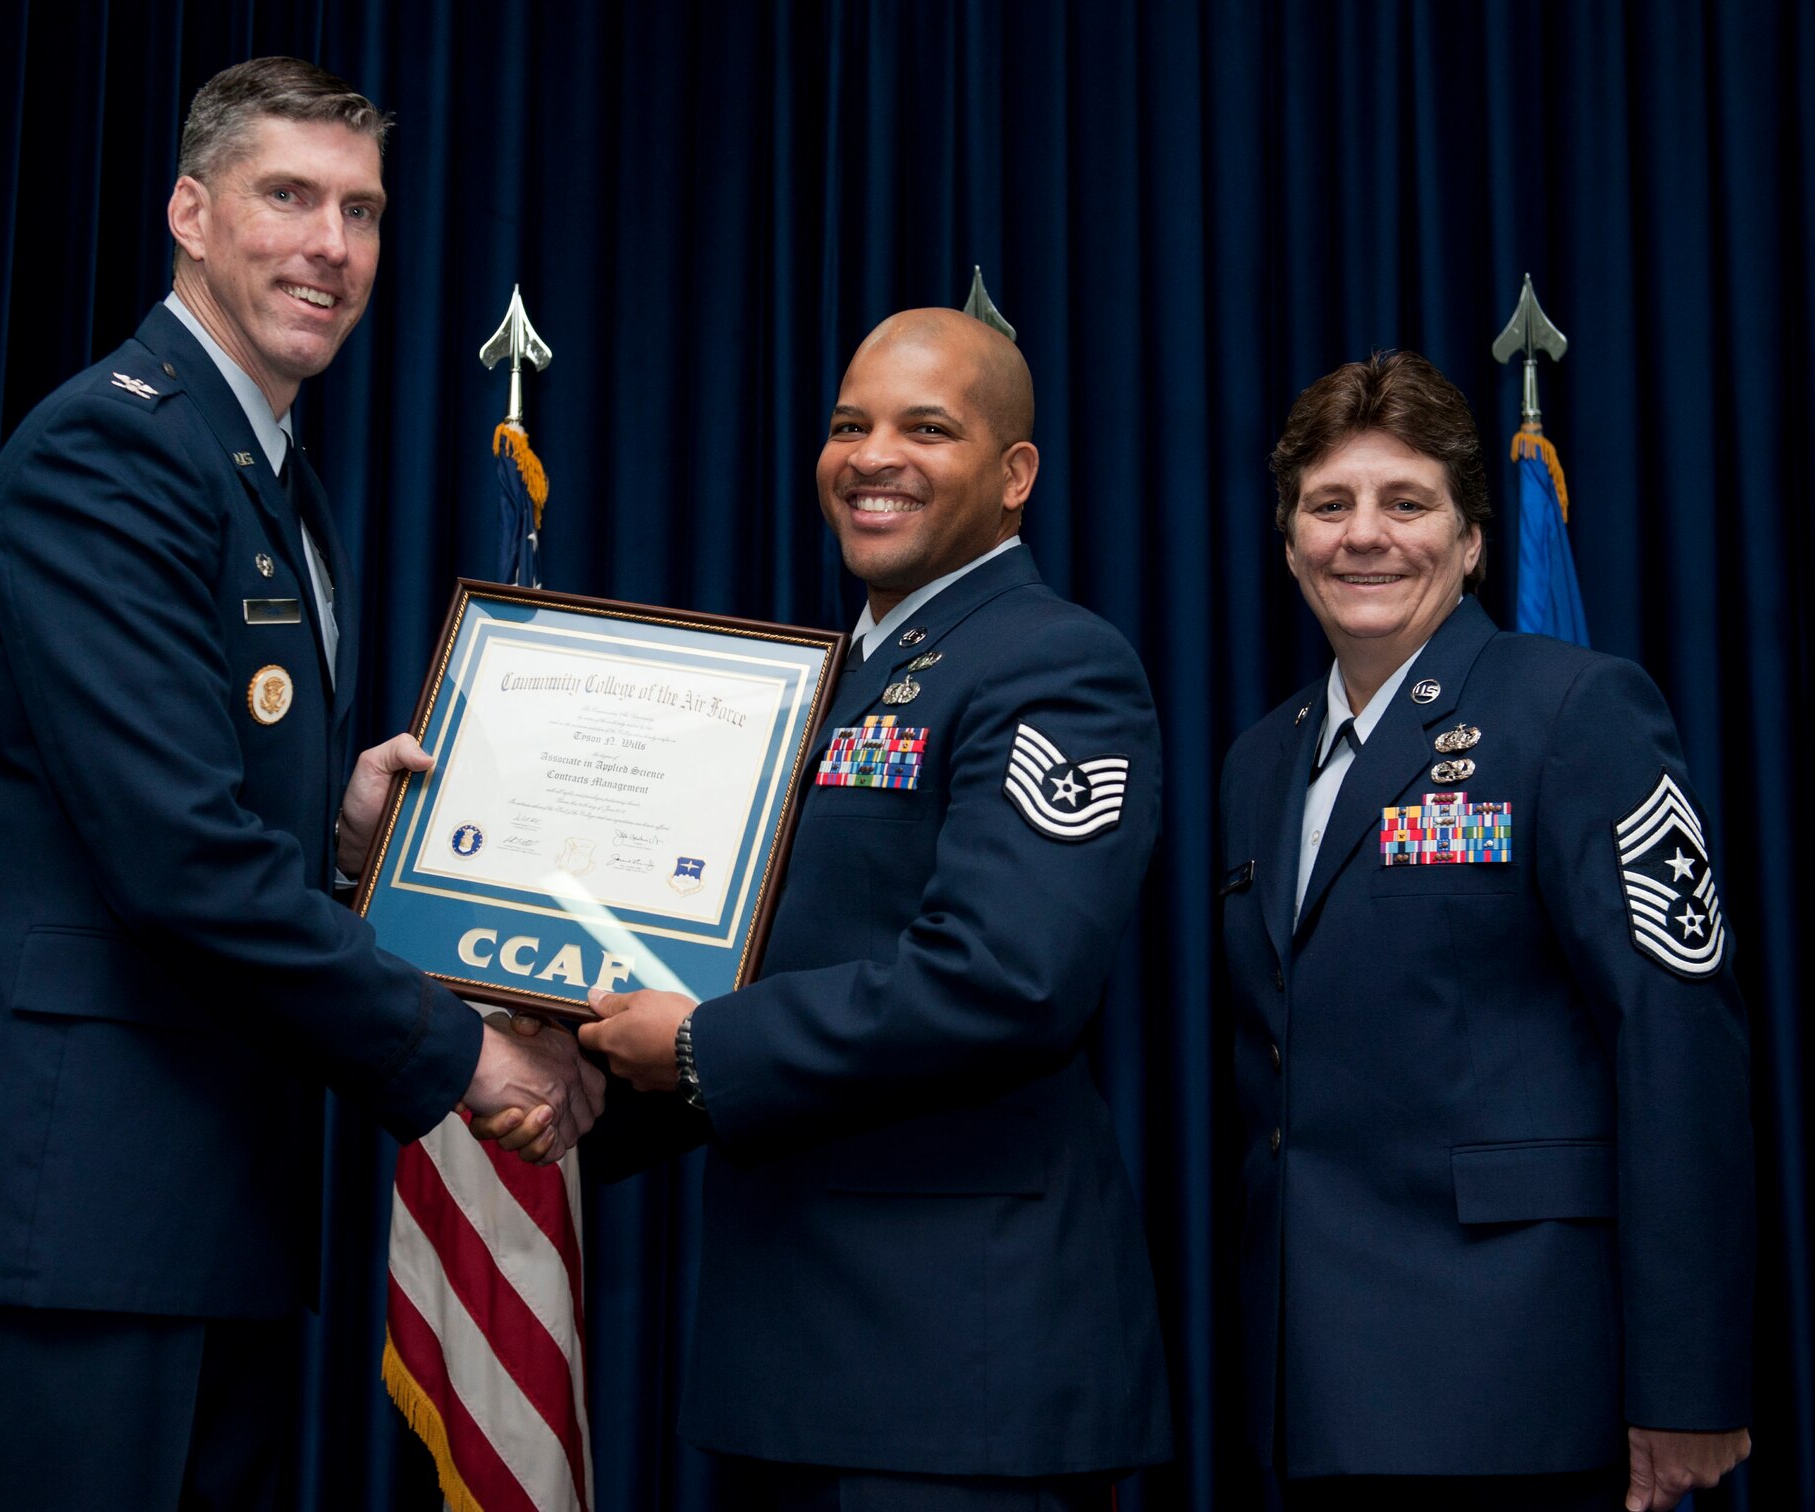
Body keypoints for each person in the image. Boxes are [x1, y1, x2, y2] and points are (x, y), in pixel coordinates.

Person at [0, 57, 601, 1511]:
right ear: (193, 213)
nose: (331, 245)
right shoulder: (111, 453)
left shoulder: (255, 465)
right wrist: (457, 1056)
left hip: (192, 1196)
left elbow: (172, 814)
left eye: (363, 211)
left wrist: (338, 833)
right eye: (289, 198)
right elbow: (178, 862)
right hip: (72, 1205)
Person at [576, 307, 1172, 1509]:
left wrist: (690, 1045)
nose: (871, 455)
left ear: (1014, 477)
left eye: (926, 428)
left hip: (958, 1372)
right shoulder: (814, 685)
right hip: (789, 1354)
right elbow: (763, 957)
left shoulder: (1053, 664)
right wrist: (582, 1061)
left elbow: (1005, 978)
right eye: (848, 424)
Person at [1218, 351, 1752, 1511]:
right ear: (1289, 536)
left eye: (1405, 503)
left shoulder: (1572, 709)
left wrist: (1689, 1380)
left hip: (1515, 1382)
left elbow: (1676, 1040)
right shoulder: (1256, 761)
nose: (1363, 536)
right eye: (1328, 505)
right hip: (1307, 1389)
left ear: (1468, 541)